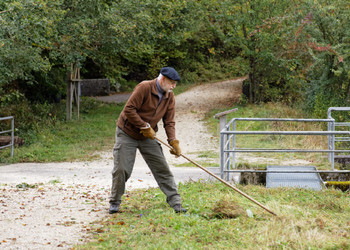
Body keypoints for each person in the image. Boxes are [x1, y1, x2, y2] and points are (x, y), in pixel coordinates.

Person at [109, 67, 187, 214]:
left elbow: (169, 121)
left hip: (147, 136)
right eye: (171, 83)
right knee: (122, 169)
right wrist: (144, 125)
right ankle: (115, 201)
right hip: (127, 133)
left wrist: (173, 141)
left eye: (175, 84)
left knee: (162, 168)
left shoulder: (169, 96)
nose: (173, 87)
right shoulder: (144, 87)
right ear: (162, 79)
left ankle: (176, 203)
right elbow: (129, 110)